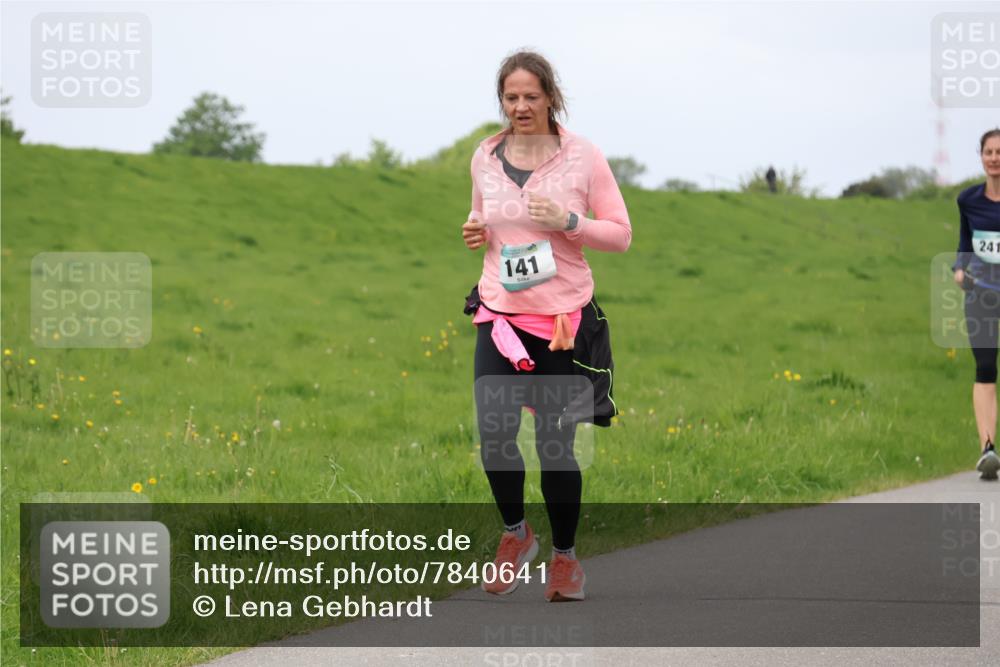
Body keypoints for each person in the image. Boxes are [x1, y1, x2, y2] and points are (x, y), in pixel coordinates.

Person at [461, 50, 631, 601]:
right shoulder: (485, 155)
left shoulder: (583, 158)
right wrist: (475, 230)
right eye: (511, 97)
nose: (521, 106)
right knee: (494, 438)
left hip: (561, 321)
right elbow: (484, 220)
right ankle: (517, 535)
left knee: (555, 448)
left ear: (551, 97)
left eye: (531, 96)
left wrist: (569, 222)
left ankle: (565, 559)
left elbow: (620, 234)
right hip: (499, 316)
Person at [953, 127, 1000, 480]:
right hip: (981, 294)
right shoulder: (968, 200)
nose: (995, 158)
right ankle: (987, 449)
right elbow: (965, 242)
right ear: (981, 156)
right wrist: (959, 268)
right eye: (989, 152)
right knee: (985, 368)